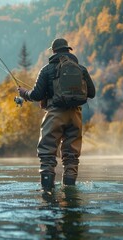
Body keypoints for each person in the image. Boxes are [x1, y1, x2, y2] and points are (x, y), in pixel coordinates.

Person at [18, 38, 95, 190]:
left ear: (53, 51)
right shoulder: (81, 69)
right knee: (71, 157)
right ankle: (70, 190)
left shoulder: (47, 69)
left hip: (55, 115)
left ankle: (47, 193)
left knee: (47, 154)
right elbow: (92, 93)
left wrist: (23, 93)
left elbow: (36, 95)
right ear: (68, 50)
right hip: (75, 116)